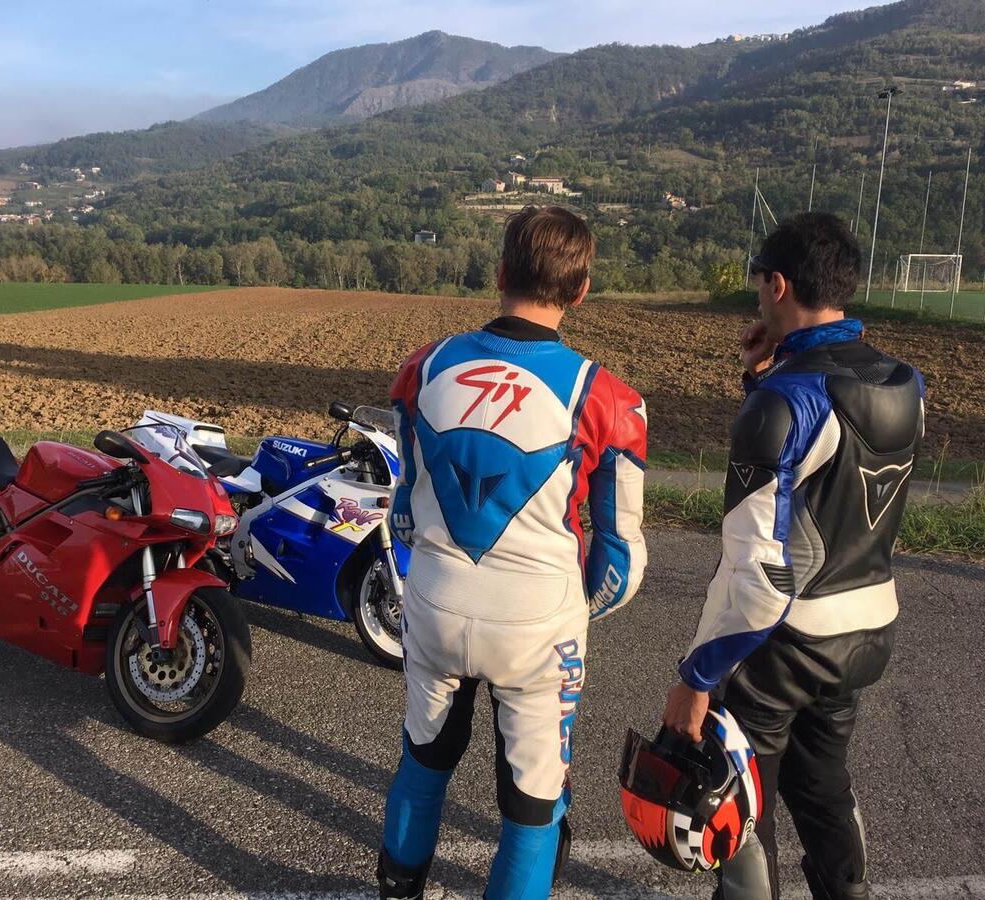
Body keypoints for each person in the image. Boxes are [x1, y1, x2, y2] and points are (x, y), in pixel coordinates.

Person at [377, 205, 648, 899]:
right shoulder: (609, 399)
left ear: (499, 274)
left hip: (435, 602)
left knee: (423, 761)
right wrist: (569, 611)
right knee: (531, 808)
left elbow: (405, 511)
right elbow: (619, 565)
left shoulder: (422, 367)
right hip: (538, 625)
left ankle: (397, 889)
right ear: (581, 290)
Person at [661, 212, 925, 900]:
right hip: (868, 626)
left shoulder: (785, 401)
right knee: (822, 779)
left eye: (759, 285)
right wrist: (762, 379)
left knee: (743, 802)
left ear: (777, 285)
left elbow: (755, 574)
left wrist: (696, 676)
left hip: (789, 639)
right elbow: (827, 485)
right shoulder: (906, 383)